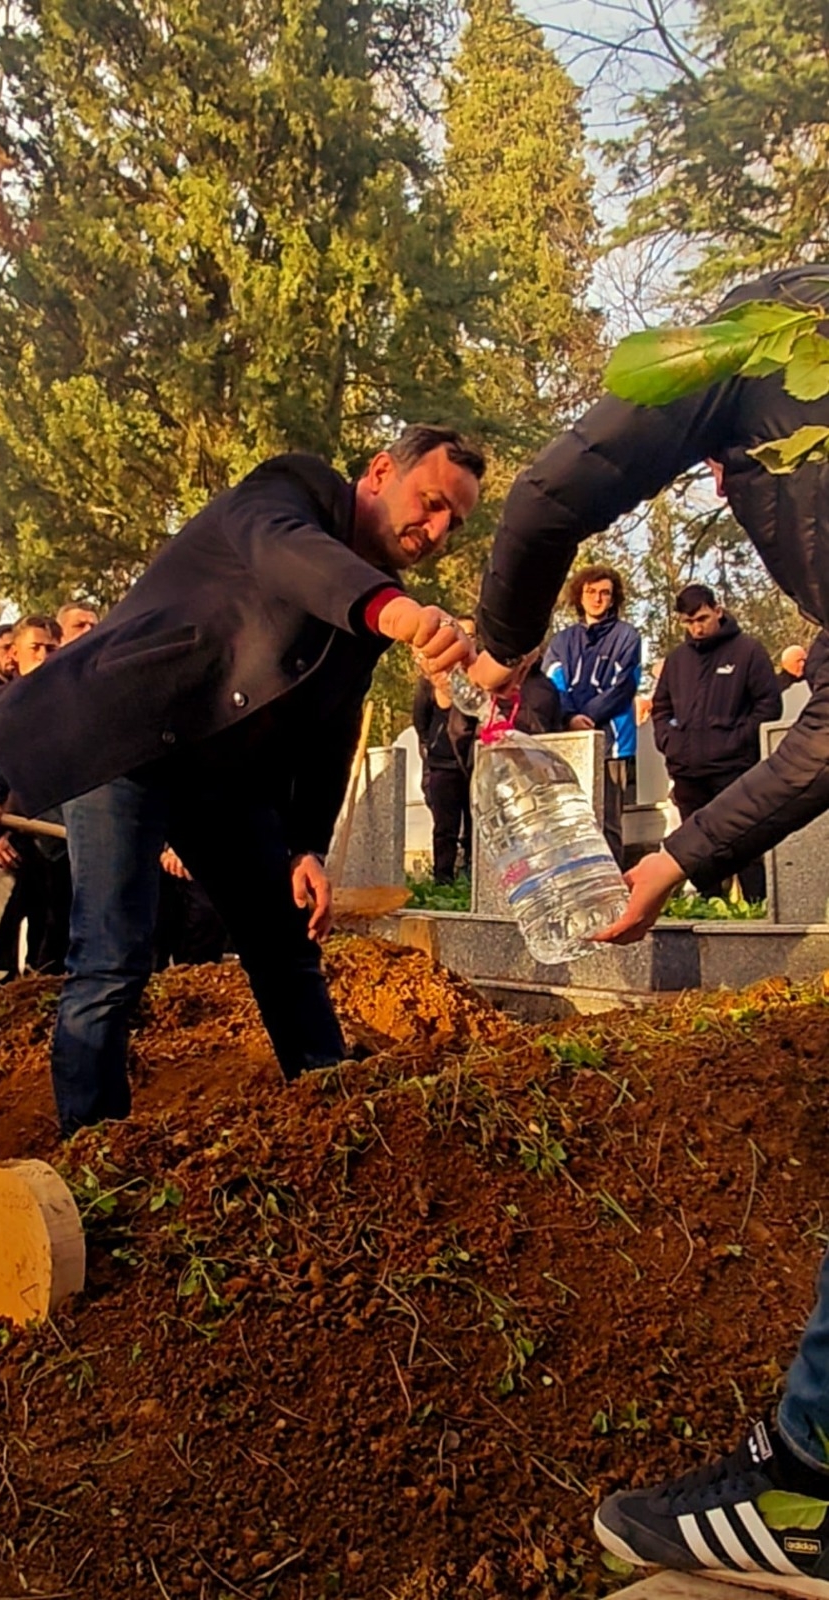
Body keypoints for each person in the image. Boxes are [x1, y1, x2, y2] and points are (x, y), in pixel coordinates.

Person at [470, 262, 829, 1595]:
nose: (735, 493)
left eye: (734, 473)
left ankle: (810, 1491)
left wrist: (503, 648)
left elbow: (546, 494)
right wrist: (673, 858)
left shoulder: (747, 347)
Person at [0, 426, 484, 1136]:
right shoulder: (292, 491)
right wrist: (392, 611)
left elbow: (332, 727)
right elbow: (288, 554)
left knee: (284, 945)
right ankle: (94, 1153)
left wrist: (306, 843)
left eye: (452, 523)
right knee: (113, 956)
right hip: (131, 737)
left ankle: (336, 1116)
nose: (434, 531)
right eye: (430, 503)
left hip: (226, 781)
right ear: (378, 472)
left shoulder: (372, 607)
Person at [653, 583, 780, 902]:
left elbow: (768, 705)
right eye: (689, 622)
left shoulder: (748, 651)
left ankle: (756, 908)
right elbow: (661, 707)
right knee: (697, 851)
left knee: (745, 843)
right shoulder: (677, 660)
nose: (696, 628)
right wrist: (670, 742)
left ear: (718, 611)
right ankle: (710, 907)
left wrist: (737, 740)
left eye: (702, 619)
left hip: (734, 770)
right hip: (687, 772)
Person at [0, 615, 69, 997]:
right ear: (15, 653)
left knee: (52, 950)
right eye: (34, 648)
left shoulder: (79, 702)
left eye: (51, 649)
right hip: (3, 844)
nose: (43, 656)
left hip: (60, 849)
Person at [542, 564, 640, 866]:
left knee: (609, 820)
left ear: (613, 599)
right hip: (569, 742)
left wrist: (590, 717)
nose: (598, 599)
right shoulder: (561, 641)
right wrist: (570, 717)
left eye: (605, 593)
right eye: (591, 592)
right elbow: (553, 683)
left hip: (612, 743)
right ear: (579, 595)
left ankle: (614, 886)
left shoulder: (628, 637)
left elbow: (624, 685)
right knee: (571, 818)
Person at [413, 617, 477, 884]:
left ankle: (474, 877)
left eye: (471, 635)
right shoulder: (427, 684)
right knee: (445, 828)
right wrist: (432, 751)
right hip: (442, 765)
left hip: (474, 763)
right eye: (461, 633)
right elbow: (421, 723)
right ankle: (443, 880)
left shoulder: (479, 680)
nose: (466, 640)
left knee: (475, 826)